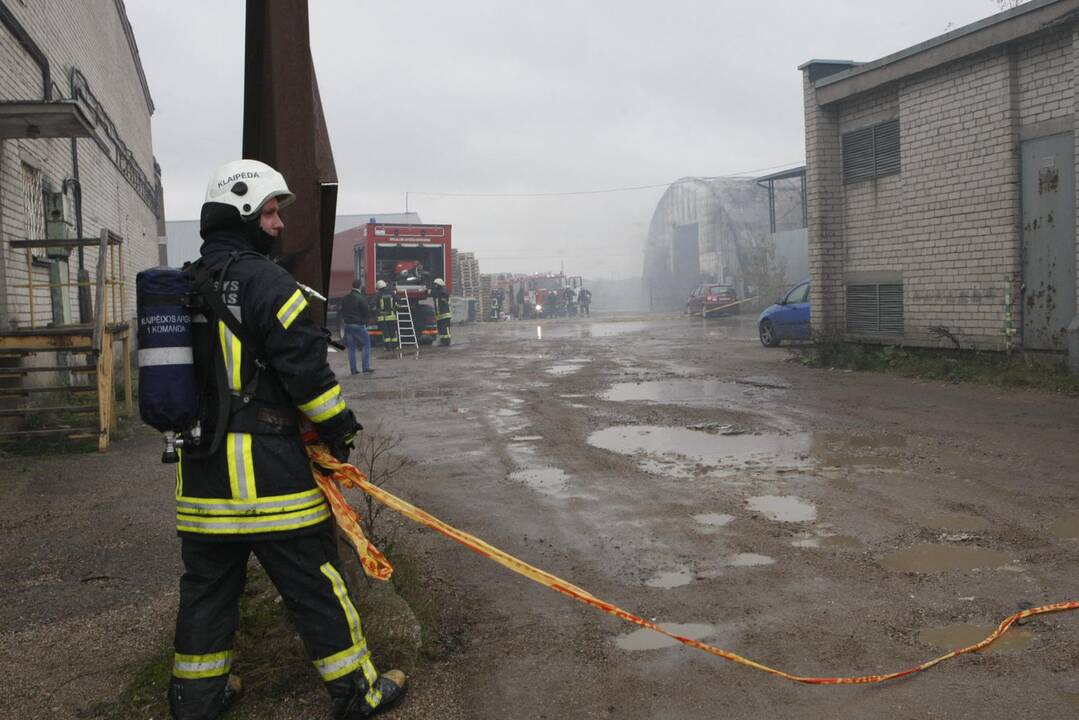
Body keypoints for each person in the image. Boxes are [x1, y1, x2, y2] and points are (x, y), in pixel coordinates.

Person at [171, 159, 406, 720]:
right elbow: (307, 374)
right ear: (247, 215)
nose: (278, 224)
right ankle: (358, 694)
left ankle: (195, 704)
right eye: (271, 212)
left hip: (201, 485)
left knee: (206, 597)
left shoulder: (183, 284)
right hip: (270, 480)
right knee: (317, 590)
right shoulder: (267, 283)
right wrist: (340, 430)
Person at [341, 280, 373, 375]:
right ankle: (366, 368)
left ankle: (353, 370)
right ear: (360, 286)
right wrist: (364, 321)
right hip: (358, 325)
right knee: (366, 345)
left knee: (351, 348)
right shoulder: (361, 298)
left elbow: (342, 310)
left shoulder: (345, 298)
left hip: (347, 325)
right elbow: (366, 311)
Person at [375, 280, 398, 353]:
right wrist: (395, 308)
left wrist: (377, 311)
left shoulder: (378, 295)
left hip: (382, 318)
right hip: (391, 316)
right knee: (393, 332)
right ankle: (395, 346)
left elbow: (372, 304)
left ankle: (388, 347)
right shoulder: (391, 293)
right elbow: (399, 301)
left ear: (378, 287)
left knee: (386, 333)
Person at [431, 277, 452, 346]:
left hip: (445, 315)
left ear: (439, 284)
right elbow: (431, 293)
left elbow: (445, 294)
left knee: (445, 329)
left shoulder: (443, 290)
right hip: (439, 316)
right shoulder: (436, 291)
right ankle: (443, 341)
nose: (435, 286)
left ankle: (447, 342)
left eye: (436, 284)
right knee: (441, 330)